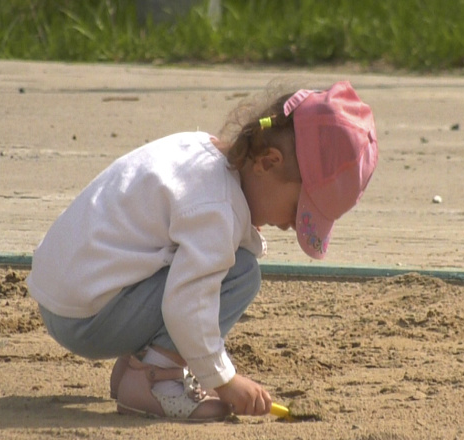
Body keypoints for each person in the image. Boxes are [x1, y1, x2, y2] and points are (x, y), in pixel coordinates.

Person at [26, 80, 378, 421]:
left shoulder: (199, 154)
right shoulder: (217, 209)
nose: (292, 225)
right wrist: (223, 380)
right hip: (87, 319)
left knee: (213, 263)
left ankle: (139, 367)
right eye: (300, 210)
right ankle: (155, 380)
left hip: (68, 298)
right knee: (240, 274)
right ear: (268, 162)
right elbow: (186, 306)